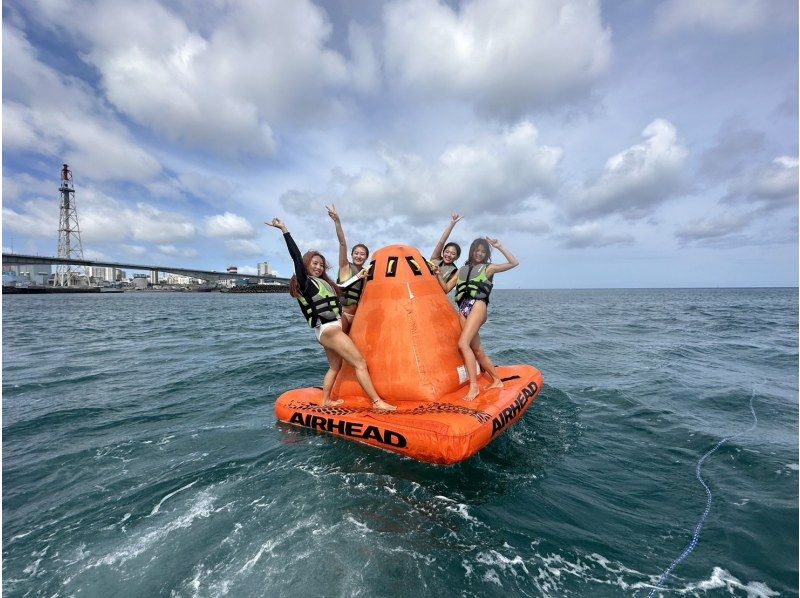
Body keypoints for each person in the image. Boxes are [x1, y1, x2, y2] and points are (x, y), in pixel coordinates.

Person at [266, 218, 396, 411]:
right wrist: (285, 230)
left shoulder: (324, 283)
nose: (318, 267)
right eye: (315, 263)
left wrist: (360, 277)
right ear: (307, 264)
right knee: (360, 363)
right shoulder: (305, 282)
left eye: (321, 265)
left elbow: (343, 287)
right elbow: (295, 256)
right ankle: (377, 402)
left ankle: (326, 400)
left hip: (326, 330)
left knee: (336, 366)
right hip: (329, 330)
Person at [442, 237, 518, 401]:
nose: (480, 253)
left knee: (462, 344)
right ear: (472, 251)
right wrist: (436, 274)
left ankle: (474, 387)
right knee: (477, 349)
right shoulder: (461, 270)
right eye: (477, 250)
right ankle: (497, 380)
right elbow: (445, 288)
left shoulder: (489, 268)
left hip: (478, 305)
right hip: (463, 308)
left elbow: (514, 263)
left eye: (483, 251)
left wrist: (500, 246)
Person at [326, 204, 369, 334]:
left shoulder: (366, 273)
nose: (358, 256)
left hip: (357, 317)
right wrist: (337, 221)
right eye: (356, 253)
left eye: (362, 254)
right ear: (351, 255)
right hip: (343, 315)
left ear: (366, 257)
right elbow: (342, 243)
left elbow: (364, 296)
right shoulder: (345, 266)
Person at [429, 213, 462, 290]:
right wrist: (452, 224)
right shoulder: (435, 258)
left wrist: (438, 274)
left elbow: (446, 290)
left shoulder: (454, 272)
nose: (449, 255)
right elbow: (442, 241)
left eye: (453, 254)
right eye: (447, 252)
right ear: (443, 252)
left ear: (457, 257)